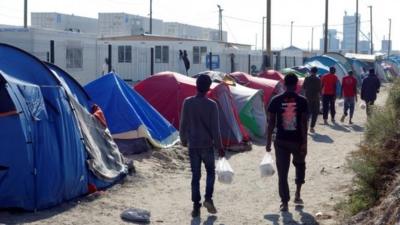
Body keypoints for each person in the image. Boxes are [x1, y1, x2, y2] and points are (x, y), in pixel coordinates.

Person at [179, 74, 225, 218]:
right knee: (210, 172)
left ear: (196, 85)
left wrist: (183, 139)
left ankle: (195, 207)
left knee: (195, 176)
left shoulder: (187, 102)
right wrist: (220, 147)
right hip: (207, 145)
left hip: (193, 145)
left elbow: (183, 124)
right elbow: (215, 129)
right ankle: (208, 199)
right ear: (208, 88)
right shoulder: (212, 105)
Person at [266, 73, 308, 212]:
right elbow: (303, 123)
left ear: (284, 84)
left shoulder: (276, 100)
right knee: (300, 166)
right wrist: (304, 143)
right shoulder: (302, 101)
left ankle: (284, 202)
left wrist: (267, 142)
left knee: (282, 173)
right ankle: (298, 193)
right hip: (297, 141)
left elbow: (271, 122)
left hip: (281, 141)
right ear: (296, 85)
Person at [302, 67, 321, 133]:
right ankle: (312, 127)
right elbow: (319, 90)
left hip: (307, 98)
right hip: (315, 98)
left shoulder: (307, 78)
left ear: (310, 71)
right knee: (315, 113)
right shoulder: (318, 79)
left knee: (307, 113)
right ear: (316, 72)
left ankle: (306, 126)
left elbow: (303, 87)